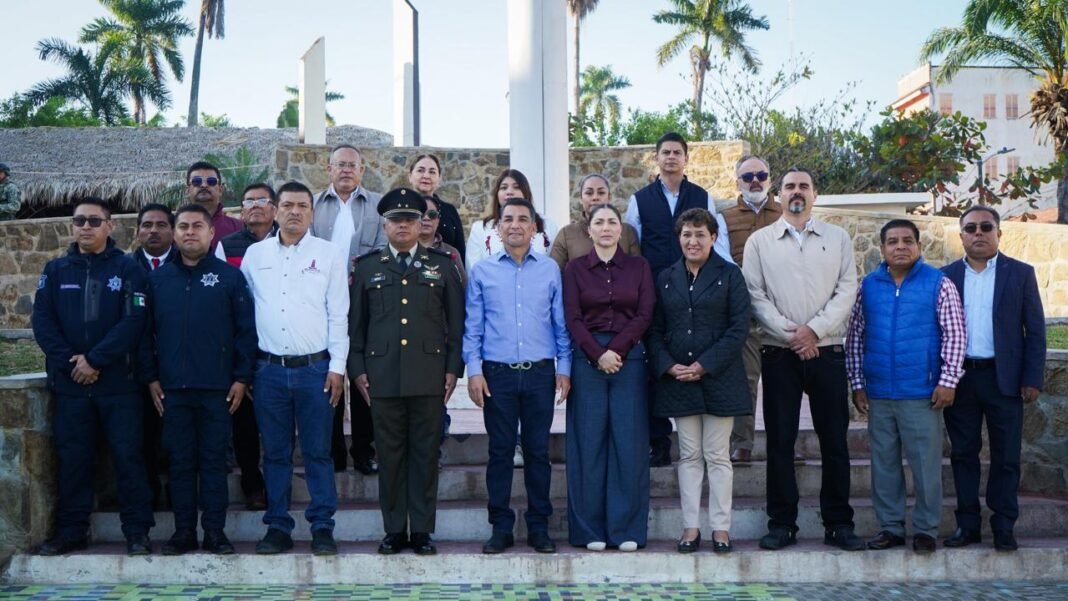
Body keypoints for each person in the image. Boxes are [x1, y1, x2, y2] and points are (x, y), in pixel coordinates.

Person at [742, 167, 863, 552]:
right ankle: (782, 523)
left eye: (804, 186)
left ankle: (838, 523)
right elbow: (754, 295)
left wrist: (815, 330)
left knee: (835, 442)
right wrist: (792, 333)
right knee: (780, 442)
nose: (797, 191)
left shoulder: (838, 238)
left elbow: (847, 289)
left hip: (827, 351)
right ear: (779, 195)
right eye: (790, 186)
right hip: (780, 352)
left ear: (815, 194)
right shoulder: (760, 242)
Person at [32, 197, 154, 556]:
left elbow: (134, 321)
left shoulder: (129, 269)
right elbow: (43, 322)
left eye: (94, 221)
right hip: (70, 385)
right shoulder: (55, 270)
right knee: (73, 461)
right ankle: (71, 531)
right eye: (80, 221)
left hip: (119, 385)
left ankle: (137, 532)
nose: (86, 227)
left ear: (109, 225)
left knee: (128, 458)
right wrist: (72, 363)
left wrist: (96, 360)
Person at [349, 188, 465, 556]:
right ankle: (395, 530)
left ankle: (423, 531)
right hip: (381, 376)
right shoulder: (367, 267)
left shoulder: (443, 265)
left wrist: (453, 369)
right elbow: (356, 327)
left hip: (429, 375)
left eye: (411, 219)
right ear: (384, 225)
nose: (403, 225)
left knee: (425, 456)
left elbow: (456, 324)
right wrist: (357, 369)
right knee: (390, 456)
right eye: (396, 220)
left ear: (422, 224)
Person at [240, 181, 349, 556]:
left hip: (316, 370)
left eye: (302, 206)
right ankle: (277, 526)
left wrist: (337, 368)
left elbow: (339, 314)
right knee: (275, 453)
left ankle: (322, 526)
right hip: (268, 371)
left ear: (312, 212)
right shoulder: (255, 255)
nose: (295, 212)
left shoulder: (329, 254)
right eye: (287, 205)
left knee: (318, 452)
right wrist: (247, 369)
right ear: (275, 210)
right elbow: (245, 313)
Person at [846, 219, 965, 554]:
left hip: (922, 393)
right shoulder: (869, 286)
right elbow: (855, 337)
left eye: (907, 240)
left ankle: (926, 529)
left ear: (919, 247)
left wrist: (948, 381)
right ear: (882, 248)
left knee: (926, 465)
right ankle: (891, 527)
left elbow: (955, 335)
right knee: (883, 464)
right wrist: (858, 383)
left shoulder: (938, 283)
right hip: (880, 392)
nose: (900, 246)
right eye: (893, 241)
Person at [145, 204, 257, 556]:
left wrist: (241, 378)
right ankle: (183, 533)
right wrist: (151, 378)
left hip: (218, 391)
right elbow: (144, 335)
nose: (190, 232)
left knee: (213, 463)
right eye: (183, 227)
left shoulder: (230, 278)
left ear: (211, 234)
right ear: (174, 234)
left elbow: (245, 332)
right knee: (179, 464)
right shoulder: (157, 280)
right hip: (172, 390)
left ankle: (214, 532)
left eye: (197, 226)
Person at [464, 198, 572, 555]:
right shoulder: (482, 271)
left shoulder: (550, 270)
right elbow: (473, 327)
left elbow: (560, 324)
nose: (515, 225)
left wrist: (564, 368)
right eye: (508, 219)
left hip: (540, 373)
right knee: (499, 452)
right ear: (498, 228)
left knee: (538, 452)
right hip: (498, 375)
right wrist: (474, 371)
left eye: (523, 219)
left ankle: (539, 526)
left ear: (534, 228)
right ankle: (501, 526)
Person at [623, 132, 733, 468]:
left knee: (694, 358)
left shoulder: (702, 196)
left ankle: (699, 439)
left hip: (697, 292)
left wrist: (727, 280)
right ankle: (659, 441)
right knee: (656, 365)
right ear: (656, 158)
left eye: (677, 152)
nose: (671, 157)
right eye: (665, 152)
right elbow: (632, 247)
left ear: (686, 158)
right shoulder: (639, 200)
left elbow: (718, 243)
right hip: (657, 293)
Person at [941, 206, 1046, 552]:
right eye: (971, 228)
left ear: (999, 233)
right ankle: (968, 525)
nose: (979, 233)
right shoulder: (945, 277)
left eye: (986, 227)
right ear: (961, 236)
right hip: (961, 379)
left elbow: (1035, 331)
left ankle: (1003, 526)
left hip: (1005, 380)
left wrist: (1032, 378)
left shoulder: (1021, 274)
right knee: (963, 454)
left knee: (1006, 456)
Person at [647, 208, 751, 554]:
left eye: (700, 234)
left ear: (713, 238)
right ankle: (690, 527)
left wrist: (704, 365)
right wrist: (668, 366)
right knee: (690, 455)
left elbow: (739, 328)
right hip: (679, 379)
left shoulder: (730, 275)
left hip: (720, 377)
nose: (693, 241)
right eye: (687, 235)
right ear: (679, 238)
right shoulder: (665, 278)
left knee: (717, 455)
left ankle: (720, 528)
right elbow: (655, 330)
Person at [562, 203, 653, 552]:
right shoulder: (574, 269)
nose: (605, 228)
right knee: (587, 445)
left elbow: (644, 313)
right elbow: (572, 317)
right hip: (588, 360)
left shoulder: (639, 267)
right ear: (589, 230)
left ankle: (626, 528)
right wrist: (597, 353)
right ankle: (589, 531)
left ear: (621, 229)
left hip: (629, 359)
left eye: (612, 222)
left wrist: (616, 349)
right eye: (598, 222)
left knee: (629, 444)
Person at [311, 144, 385, 477]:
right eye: (339, 164)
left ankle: (364, 451)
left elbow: (383, 249)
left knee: (363, 377)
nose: (345, 170)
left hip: (365, 302)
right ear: (329, 169)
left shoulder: (378, 206)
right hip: (323, 305)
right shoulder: (313, 205)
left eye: (352, 165)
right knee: (331, 375)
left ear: (362, 171)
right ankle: (334, 452)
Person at [214, 183, 278, 511]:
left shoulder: (292, 241)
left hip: (279, 344)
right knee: (244, 422)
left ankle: (279, 485)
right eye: (248, 200)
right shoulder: (227, 246)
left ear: (275, 208)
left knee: (279, 422)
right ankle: (252, 484)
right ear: (241, 209)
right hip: (241, 343)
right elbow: (220, 298)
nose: (255, 205)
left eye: (262, 200)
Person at [721, 156, 783, 463]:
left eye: (761, 175)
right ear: (738, 182)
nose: (755, 181)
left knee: (783, 379)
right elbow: (723, 259)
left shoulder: (785, 213)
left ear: (770, 179)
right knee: (746, 377)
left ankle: (785, 442)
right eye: (748, 177)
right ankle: (743, 442)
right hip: (743, 307)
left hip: (782, 307)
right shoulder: (725, 218)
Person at [130, 203, 177, 509]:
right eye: (147, 225)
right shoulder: (125, 268)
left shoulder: (189, 264)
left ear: (172, 231)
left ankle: (178, 493)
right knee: (143, 436)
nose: (154, 231)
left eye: (161, 225)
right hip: (136, 371)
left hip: (179, 368)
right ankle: (149, 493)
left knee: (178, 438)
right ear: (138, 231)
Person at [465, 169, 558, 270]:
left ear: (526, 192)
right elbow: (473, 270)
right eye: (504, 187)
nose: (509, 192)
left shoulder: (548, 226)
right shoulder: (480, 228)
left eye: (516, 187)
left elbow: (553, 268)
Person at [550, 173, 640, 270]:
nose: (595, 197)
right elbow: (555, 272)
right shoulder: (566, 234)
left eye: (601, 193)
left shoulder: (627, 232)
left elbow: (637, 269)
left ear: (609, 197)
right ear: (580, 198)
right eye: (589, 193)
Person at [408, 153, 467, 265]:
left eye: (432, 172)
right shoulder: (399, 209)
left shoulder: (449, 211)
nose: (426, 176)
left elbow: (460, 249)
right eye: (420, 170)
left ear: (439, 179)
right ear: (410, 176)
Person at [186, 160, 242, 249]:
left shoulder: (239, 228)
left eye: (211, 181)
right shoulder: (174, 228)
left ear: (220, 189)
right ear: (188, 190)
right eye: (197, 181)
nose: (204, 185)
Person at [418, 195, 465, 285]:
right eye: (421, 214)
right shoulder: (404, 250)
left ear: (438, 220)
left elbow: (462, 287)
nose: (426, 218)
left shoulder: (451, 253)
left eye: (432, 214)